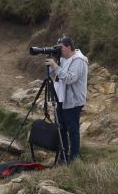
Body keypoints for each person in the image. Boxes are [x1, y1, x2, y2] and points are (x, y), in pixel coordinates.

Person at [48, 36, 88, 165]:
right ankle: (63, 156)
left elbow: (70, 78)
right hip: (61, 98)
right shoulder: (63, 59)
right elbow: (54, 74)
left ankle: (73, 159)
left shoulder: (79, 61)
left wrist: (55, 66)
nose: (59, 50)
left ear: (68, 47)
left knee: (72, 130)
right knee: (61, 128)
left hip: (73, 102)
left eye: (60, 48)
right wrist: (53, 62)